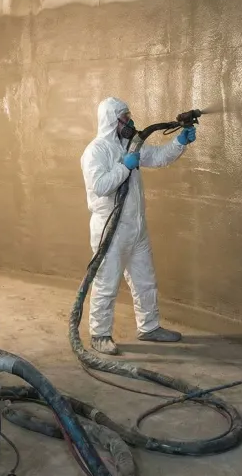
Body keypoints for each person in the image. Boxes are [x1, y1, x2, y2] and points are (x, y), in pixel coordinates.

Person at [81, 97, 196, 355]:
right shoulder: (95, 151)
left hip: (136, 225)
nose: (130, 121)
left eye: (129, 115)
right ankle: (100, 334)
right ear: (112, 121)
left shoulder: (131, 144)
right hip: (111, 229)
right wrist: (125, 166)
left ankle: (150, 326)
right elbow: (100, 186)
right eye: (125, 117)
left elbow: (157, 157)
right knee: (106, 283)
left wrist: (180, 142)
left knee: (145, 280)